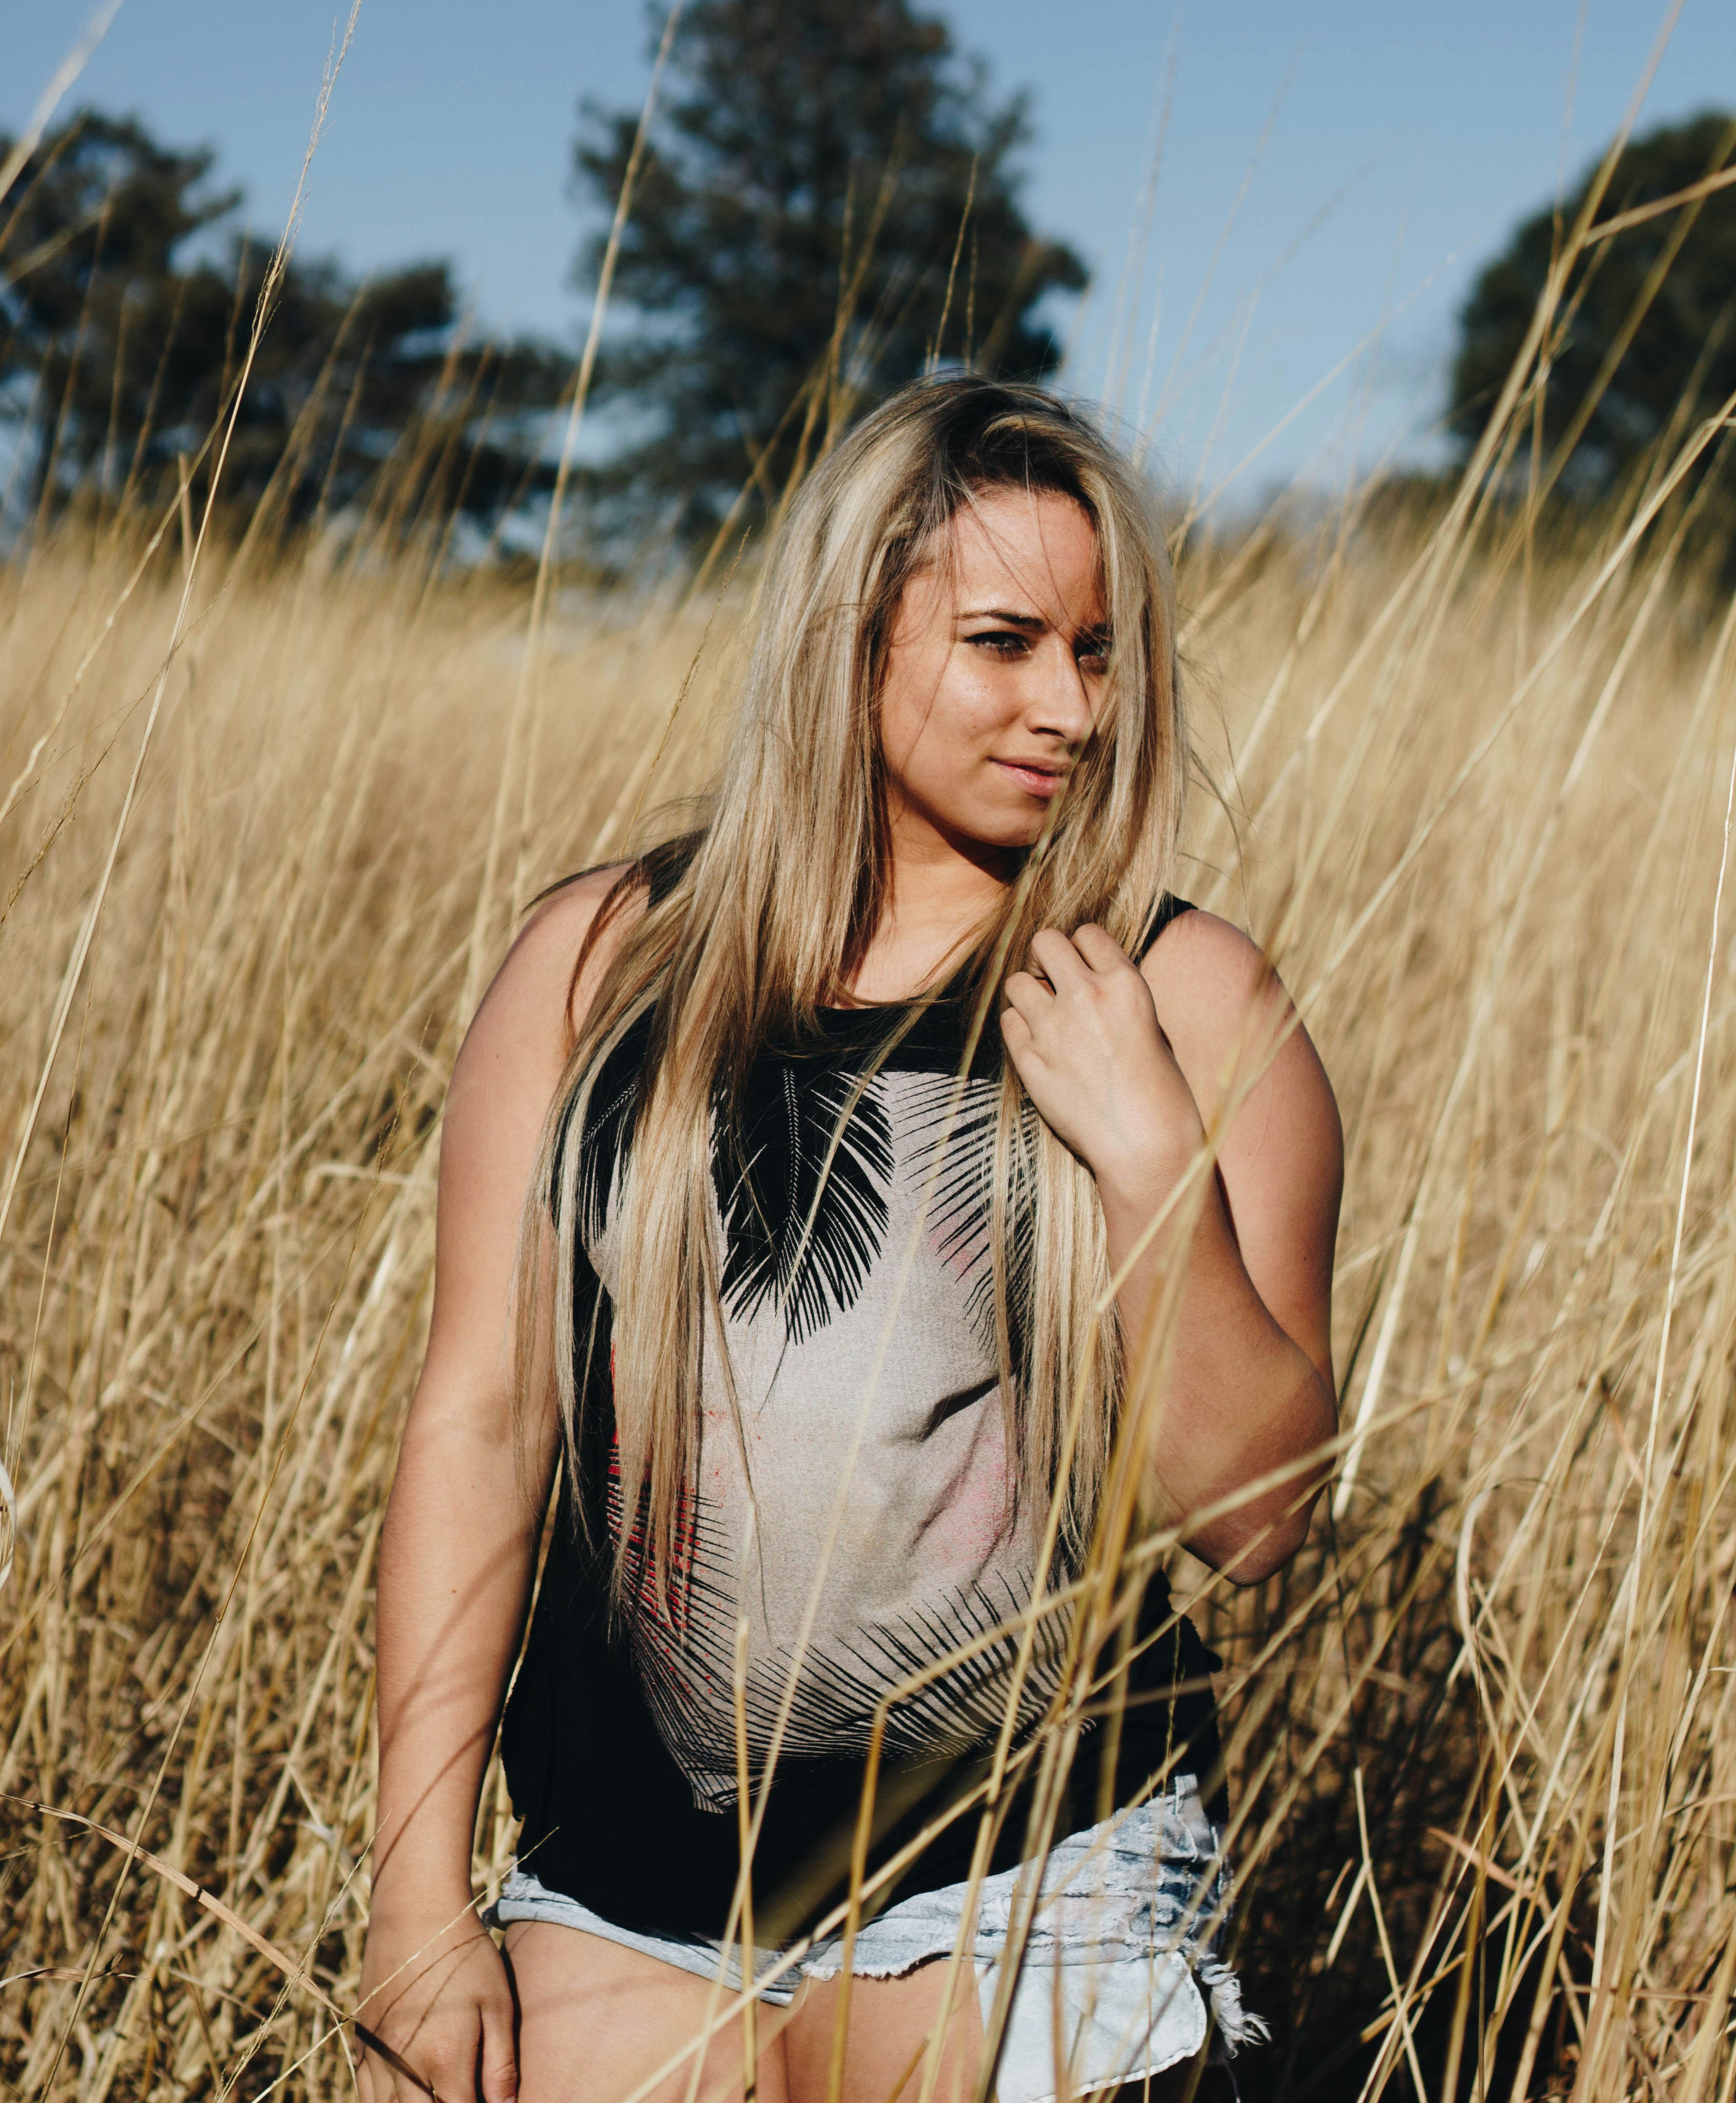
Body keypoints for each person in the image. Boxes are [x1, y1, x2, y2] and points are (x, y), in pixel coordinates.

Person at [354, 379, 1343, 2103]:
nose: (1072, 708)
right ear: (851, 637)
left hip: (1038, 1872)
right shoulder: (604, 966)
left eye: (1101, 653)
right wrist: (412, 1899)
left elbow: (1256, 1520)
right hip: (630, 1881)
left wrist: (1147, 1153)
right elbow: (482, 1427)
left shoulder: (1182, 994)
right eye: (1006, 642)